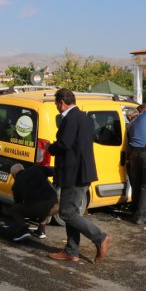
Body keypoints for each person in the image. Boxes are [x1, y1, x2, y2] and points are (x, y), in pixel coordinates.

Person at [46, 89, 111, 264]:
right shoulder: (85, 117)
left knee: (67, 213)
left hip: (74, 173)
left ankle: (100, 237)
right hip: (82, 171)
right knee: (72, 212)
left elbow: (65, 144)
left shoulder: (70, 118)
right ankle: (71, 251)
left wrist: (49, 147)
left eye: (56, 103)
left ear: (61, 102)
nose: (56, 107)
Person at [7, 164, 59, 242]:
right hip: (56, 204)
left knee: (15, 209)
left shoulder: (16, 184)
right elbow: (53, 171)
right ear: (23, 168)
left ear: (13, 175)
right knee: (43, 203)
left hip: (42, 207)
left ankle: (23, 230)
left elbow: (18, 203)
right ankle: (41, 231)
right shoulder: (36, 168)